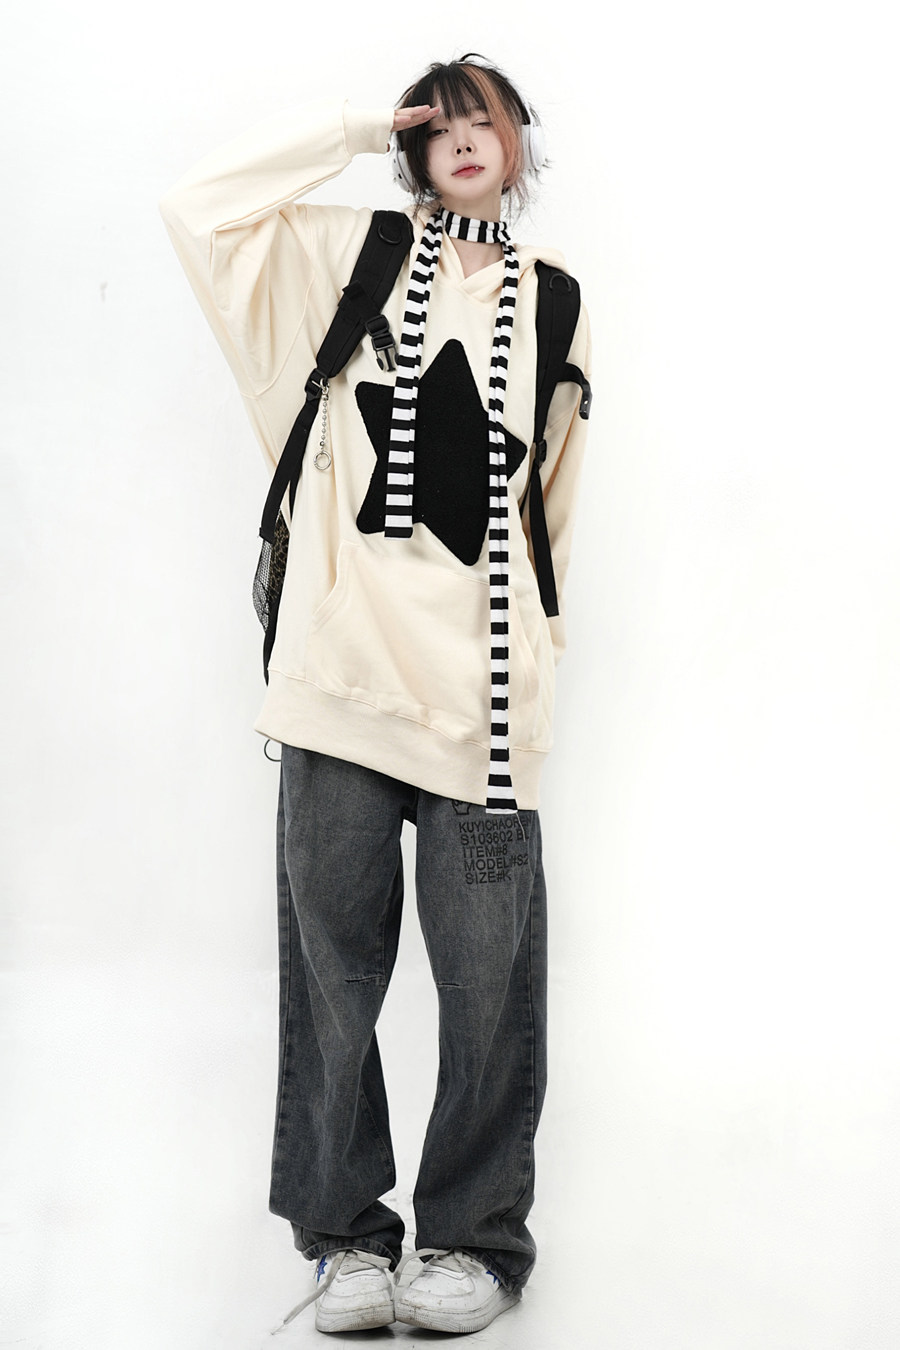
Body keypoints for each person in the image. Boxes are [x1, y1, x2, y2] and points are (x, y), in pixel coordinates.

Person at [159, 53, 591, 1337]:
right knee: (332, 982)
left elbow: (551, 510)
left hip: (484, 704)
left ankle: (474, 1241)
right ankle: (346, 1238)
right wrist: (352, 129)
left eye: (485, 116)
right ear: (411, 145)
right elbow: (196, 205)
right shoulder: (346, 258)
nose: (462, 135)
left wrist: (539, 665)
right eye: (436, 120)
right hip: (340, 682)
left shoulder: (557, 300)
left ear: (520, 142)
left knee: (490, 992)